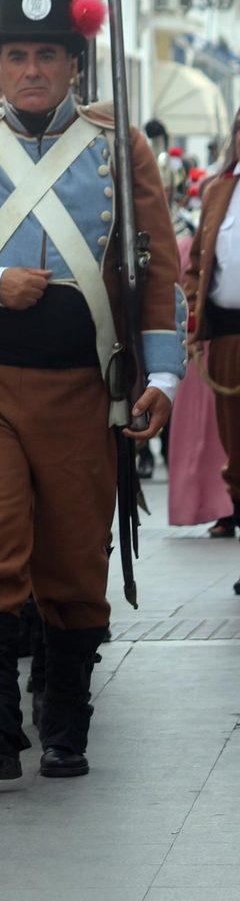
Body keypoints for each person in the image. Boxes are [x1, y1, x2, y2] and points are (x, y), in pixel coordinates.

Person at [0, 0, 183, 781]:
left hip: (86, 386)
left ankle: (65, 710)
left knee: (76, 561)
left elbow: (158, 268)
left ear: (74, 65)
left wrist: (166, 377)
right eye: (16, 56)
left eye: (47, 55)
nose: (31, 70)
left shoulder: (119, 146)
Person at [181, 109, 240, 582]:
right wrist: (192, 315)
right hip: (225, 333)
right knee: (235, 446)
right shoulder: (219, 190)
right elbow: (197, 263)